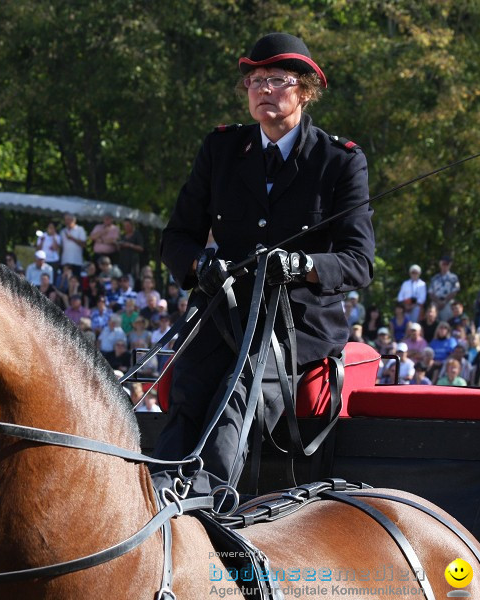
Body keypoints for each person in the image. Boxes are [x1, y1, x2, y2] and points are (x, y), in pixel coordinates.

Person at [152, 32, 375, 496]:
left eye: (276, 79)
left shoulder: (340, 161)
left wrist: (301, 265)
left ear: (306, 90)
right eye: (254, 81)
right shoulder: (222, 150)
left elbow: (358, 262)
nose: (263, 89)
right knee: (188, 388)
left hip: (295, 322)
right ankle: (155, 493)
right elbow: (176, 237)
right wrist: (199, 266)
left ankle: (202, 502)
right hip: (223, 309)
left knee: (241, 392)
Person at [428, 256, 460, 322]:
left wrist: (444, 302)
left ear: (449, 265)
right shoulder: (434, 278)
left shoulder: (454, 277)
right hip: (435, 302)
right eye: (443, 264)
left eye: (447, 264)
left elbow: (454, 292)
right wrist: (438, 302)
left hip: (447, 303)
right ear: (440, 264)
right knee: (432, 319)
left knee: (446, 323)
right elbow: (430, 292)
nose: (445, 266)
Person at [118, 218, 145, 282]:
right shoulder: (123, 236)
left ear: (132, 225)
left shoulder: (137, 234)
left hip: (133, 262)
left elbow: (141, 248)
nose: (126, 228)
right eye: (124, 226)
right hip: (123, 262)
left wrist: (129, 245)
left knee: (133, 279)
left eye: (127, 226)